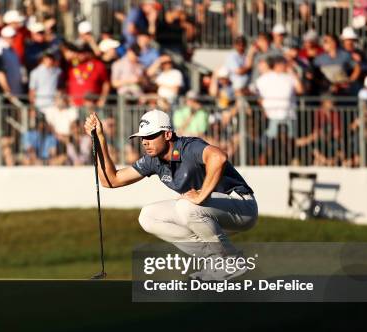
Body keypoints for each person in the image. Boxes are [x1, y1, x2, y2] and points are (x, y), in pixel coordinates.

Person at [83, 109, 257, 281]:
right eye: (143, 137)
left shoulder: (189, 146)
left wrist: (201, 195)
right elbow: (111, 180)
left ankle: (230, 261)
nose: (144, 142)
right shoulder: (153, 160)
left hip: (241, 206)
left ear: (167, 135)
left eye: (151, 136)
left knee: (186, 206)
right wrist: (99, 139)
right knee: (148, 216)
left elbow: (219, 157)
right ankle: (214, 260)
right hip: (203, 214)